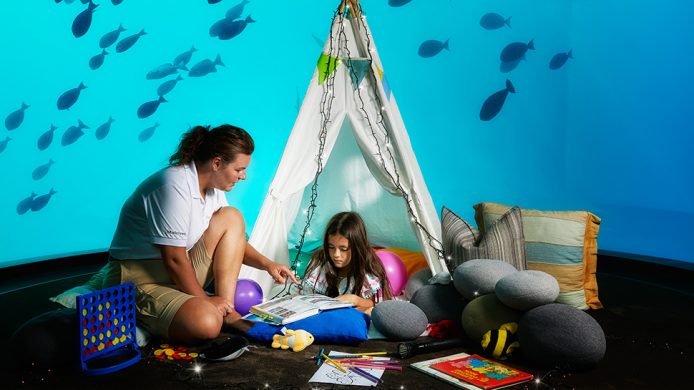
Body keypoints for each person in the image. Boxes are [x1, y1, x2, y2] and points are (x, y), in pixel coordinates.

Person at [104, 124, 296, 343]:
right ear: (216, 163)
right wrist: (205, 300)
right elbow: (174, 258)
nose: (243, 176)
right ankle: (204, 313)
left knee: (232, 217)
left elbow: (233, 241)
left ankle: (228, 311)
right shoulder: (173, 185)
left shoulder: (213, 190)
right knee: (206, 323)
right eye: (239, 169)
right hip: (138, 278)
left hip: (174, 272)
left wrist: (267, 264)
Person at [300, 211, 393, 313]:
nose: (336, 254)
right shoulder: (320, 263)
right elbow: (308, 300)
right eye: (331, 247)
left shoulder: (368, 268)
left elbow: (376, 304)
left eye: (343, 249)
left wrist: (355, 299)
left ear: (357, 247)